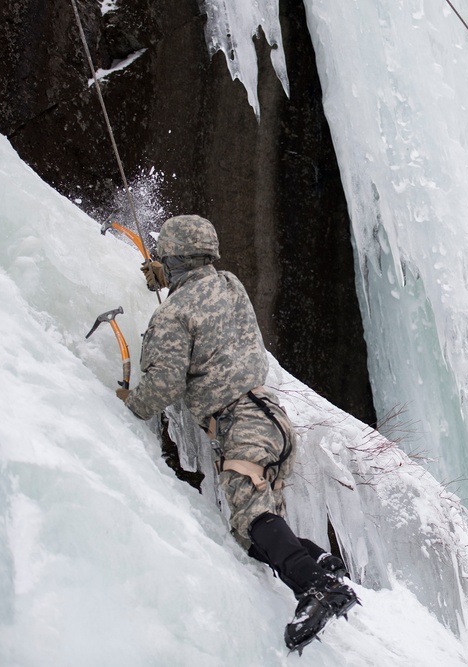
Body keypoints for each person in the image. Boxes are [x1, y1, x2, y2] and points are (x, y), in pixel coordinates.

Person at [115, 214, 357, 651]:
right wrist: (171, 280)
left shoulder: (175, 312)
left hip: (240, 426)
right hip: (274, 422)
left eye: (163, 258)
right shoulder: (230, 283)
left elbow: (165, 384)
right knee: (253, 534)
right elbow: (204, 306)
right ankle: (319, 563)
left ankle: (314, 588)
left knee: (253, 518)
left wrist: (131, 402)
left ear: (170, 259)